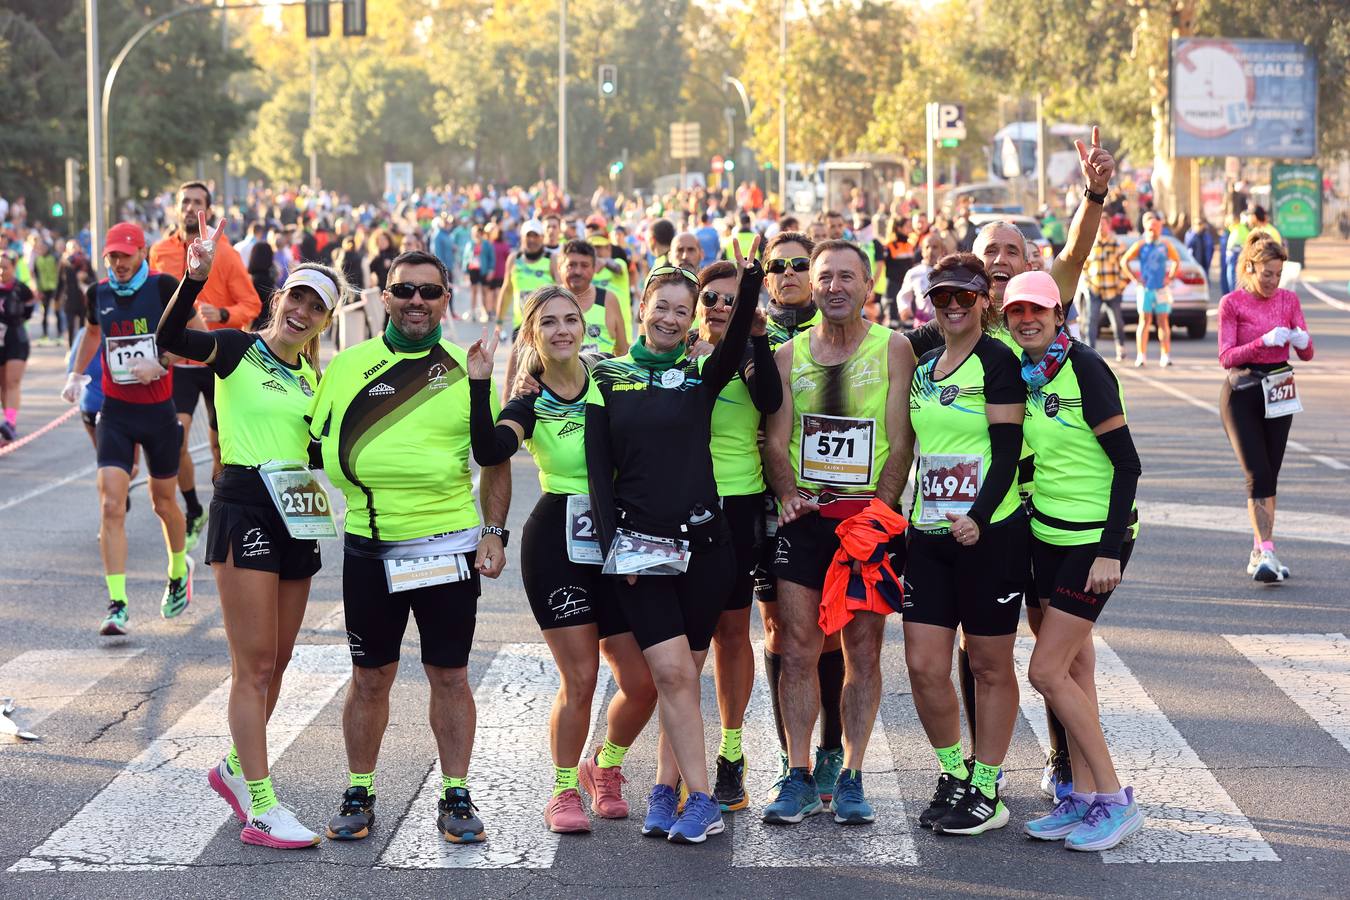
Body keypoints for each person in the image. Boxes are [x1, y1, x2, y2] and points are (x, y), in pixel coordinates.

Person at [157, 213, 348, 849]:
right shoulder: (240, 349)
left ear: (325, 321)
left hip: (298, 513)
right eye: (297, 296)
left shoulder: (314, 379)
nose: (302, 310)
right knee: (255, 664)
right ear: (279, 298)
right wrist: (194, 279)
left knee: (282, 658)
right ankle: (259, 803)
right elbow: (169, 340)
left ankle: (235, 769)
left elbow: (319, 455)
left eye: (316, 306)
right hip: (244, 504)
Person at [308, 249, 510, 845]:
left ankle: (455, 793)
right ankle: (359, 787)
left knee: (450, 674)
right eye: (404, 291)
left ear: (447, 299)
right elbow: (313, 448)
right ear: (384, 297)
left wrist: (494, 533)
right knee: (370, 676)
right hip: (370, 546)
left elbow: (494, 459)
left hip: (448, 545)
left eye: (429, 291)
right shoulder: (347, 366)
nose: (416, 301)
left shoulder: (465, 368)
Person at [584, 244, 761, 844]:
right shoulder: (605, 375)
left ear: (692, 320)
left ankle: (667, 790)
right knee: (669, 671)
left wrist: (753, 279)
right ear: (642, 307)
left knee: (681, 676)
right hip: (641, 553)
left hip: (709, 548)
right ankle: (703, 797)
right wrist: (614, 549)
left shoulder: (702, 372)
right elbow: (597, 474)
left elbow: (737, 346)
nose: (670, 318)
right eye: (662, 306)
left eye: (682, 311)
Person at [465, 285, 658, 834]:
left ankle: (607, 767)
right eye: (548, 323)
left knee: (643, 680)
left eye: (571, 319)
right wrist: (483, 384)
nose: (562, 330)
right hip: (557, 543)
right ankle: (563, 789)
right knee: (581, 677)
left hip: (618, 537)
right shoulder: (530, 399)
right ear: (533, 334)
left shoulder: (611, 381)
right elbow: (491, 451)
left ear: (584, 325)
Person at [760, 239, 915, 827]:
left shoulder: (893, 348)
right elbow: (776, 441)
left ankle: (851, 775)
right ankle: (797, 774)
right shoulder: (787, 355)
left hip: (867, 522)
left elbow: (902, 441)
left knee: (863, 652)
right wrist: (786, 493)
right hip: (806, 523)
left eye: (847, 276)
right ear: (813, 287)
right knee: (797, 650)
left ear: (868, 286)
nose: (835, 286)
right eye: (825, 277)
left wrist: (882, 509)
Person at [1002, 269, 1144, 851]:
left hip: (1093, 545)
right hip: (1047, 535)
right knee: (1076, 671)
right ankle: (1083, 798)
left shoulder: (1085, 367)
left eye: (1038, 310)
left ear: (1059, 314)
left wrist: (1110, 548)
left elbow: (1127, 464)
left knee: (1045, 671)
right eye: (1016, 312)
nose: (1027, 319)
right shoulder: (1029, 374)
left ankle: (1113, 799)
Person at [901, 254, 1026, 836]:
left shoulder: (999, 360)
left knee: (988, 664)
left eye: (964, 297)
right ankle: (954, 771)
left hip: (990, 534)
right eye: (942, 297)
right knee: (925, 666)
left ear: (984, 301)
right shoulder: (924, 367)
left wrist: (977, 516)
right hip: (926, 534)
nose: (952, 307)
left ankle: (988, 784)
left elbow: (1006, 453)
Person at [61, 223, 194, 635]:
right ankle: (117, 603)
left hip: (158, 413)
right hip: (115, 413)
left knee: (163, 503)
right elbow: (94, 332)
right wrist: (76, 373)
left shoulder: (161, 287)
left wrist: (164, 361)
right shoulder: (97, 294)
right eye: (112, 257)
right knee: (110, 506)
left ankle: (177, 570)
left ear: (142, 254)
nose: (118, 264)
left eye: (126, 255)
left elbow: (197, 335)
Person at [754, 231, 848, 795]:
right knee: (780, 630)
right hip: (763, 499)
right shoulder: (748, 330)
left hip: (824, 502)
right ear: (765, 278)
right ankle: (792, 754)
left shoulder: (841, 331)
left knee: (829, 627)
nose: (787, 273)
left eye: (798, 265)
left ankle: (833, 746)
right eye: (777, 266)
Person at [688, 259, 780, 812]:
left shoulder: (749, 352)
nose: (722, 309)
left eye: (733, 300)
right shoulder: (676, 353)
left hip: (738, 506)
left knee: (729, 633)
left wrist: (759, 338)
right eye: (713, 300)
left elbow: (769, 400)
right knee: (678, 642)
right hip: (678, 507)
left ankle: (731, 752)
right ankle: (678, 757)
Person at [150, 181, 262, 551]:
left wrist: (225, 313)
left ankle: (219, 508)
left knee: (220, 448)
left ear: (208, 210)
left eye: (198, 202)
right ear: (176, 207)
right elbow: (155, 304)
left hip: (217, 360)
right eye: (185, 201)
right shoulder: (160, 251)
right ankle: (195, 507)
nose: (189, 207)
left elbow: (253, 305)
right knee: (177, 438)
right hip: (179, 361)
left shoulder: (226, 255)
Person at [1217, 235, 1313, 583]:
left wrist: (1301, 340)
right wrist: (1262, 341)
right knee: (1256, 472)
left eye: (1278, 274)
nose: (1273, 281)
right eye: (1266, 274)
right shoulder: (1233, 303)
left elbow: (1307, 352)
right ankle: (1268, 551)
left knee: (1270, 475)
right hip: (1243, 391)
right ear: (1250, 268)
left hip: (1280, 390)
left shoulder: (1289, 299)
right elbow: (1226, 356)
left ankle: (1260, 549)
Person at [1120, 213, 1180, 368]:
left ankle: (1165, 355)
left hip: (1161, 289)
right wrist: (1135, 278)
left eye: (1156, 227)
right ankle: (1141, 356)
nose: (1153, 231)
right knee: (1144, 321)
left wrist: (1170, 277)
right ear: (1146, 228)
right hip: (1145, 289)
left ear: (1160, 228)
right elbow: (1124, 261)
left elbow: (1176, 260)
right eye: (1150, 228)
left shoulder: (1165, 245)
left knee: (1163, 322)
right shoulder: (1141, 245)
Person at [494, 220, 557, 337]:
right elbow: (507, 290)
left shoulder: (551, 259)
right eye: (528, 236)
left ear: (542, 237)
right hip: (520, 326)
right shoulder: (514, 259)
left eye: (536, 236)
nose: (532, 240)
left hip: (546, 325)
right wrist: (499, 322)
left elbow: (561, 289)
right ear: (522, 237)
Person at [0, 250, 36, 442]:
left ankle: (10, 422)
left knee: (12, 382)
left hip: (16, 339)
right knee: (3, 385)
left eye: (5, 267)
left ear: (13, 268)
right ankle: (8, 420)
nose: (1, 271)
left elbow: (29, 310)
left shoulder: (21, 289)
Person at [1082, 217, 1128, 361]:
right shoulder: (1091, 245)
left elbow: (1124, 267)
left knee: (1117, 322)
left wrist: (1121, 286)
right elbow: (1085, 267)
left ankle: (1120, 348)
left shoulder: (1116, 244)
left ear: (1109, 226)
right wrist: (1088, 283)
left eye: (1103, 225)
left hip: (1113, 290)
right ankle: (1091, 352)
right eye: (1099, 225)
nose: (1101, 228)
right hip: (1095, 289)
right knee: (1092, 320)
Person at [896, 233, 945, 328]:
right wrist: (904, 308)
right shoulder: (914, 272)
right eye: (927, 247)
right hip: (922, 324)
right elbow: (903, 295)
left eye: (935, 247)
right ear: (922, 251)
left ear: (942, 250)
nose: (930, 251)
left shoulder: (947, 272)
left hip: (944, 324)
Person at [461, 224, 494, 322]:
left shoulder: (487, 244)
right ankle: (473, 312)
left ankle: (485, 312)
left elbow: (492, 258)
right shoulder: (470, 244)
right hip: (473, 270)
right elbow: (465, 258)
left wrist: (491, 270)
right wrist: (465, 272)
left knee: (484, 292)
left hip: (483, 270)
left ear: (481, 233)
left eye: (477, 233)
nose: (475, 235)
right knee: (474, 292)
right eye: (474, 233)